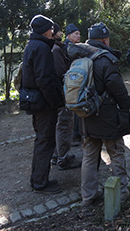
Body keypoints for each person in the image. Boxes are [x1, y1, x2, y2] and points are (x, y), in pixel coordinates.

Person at [67, 22, 130, 216]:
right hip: (108, 116)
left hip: (86, 117)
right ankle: (121, 192)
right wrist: (127, 104)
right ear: (105, 39)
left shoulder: (79, 56)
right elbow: (116, 86)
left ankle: (88, 196)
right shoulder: (105, 59)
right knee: (116, 153)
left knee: (88, 156)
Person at [21, 14, 64, 194]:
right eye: (51, 28)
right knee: (45, 141)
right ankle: (39, 183)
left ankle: (39, 179)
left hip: (37, 101)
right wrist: (55, 102)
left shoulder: (33, 45)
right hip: (44, 104)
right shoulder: (41, 48)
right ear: (45, 31)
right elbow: (44, 79)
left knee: (42, 140)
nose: (53, 31)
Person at [51, 23, 81, 170]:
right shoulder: (56, 50)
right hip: (62, 94)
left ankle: (57, 155)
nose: (60, 33)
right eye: (58, 31)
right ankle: (63, 159)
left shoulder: (56, 48)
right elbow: (61, 72)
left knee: (60, 126)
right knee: (64, 125)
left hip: (60, 93)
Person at [64, 23, 82, 147]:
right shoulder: (66, 48)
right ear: (69, 35)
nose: (79, 36)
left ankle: (77, 133)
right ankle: (75, 135)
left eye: (79, 34)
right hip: (70, 83)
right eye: (76, 34)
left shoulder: (75, 47)